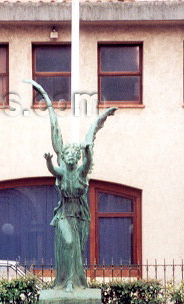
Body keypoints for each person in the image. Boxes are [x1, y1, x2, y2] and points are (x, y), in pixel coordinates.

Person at [26, 79, 117, 292]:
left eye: (72, 155)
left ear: (75, 157)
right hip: (65, 215)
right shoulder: (61, 171)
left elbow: (89, 156)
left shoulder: (81, 172)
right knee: (67, 243)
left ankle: (74, 282)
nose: (69, 157)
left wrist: (89, 146)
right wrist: (49, 160)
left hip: (81, 215)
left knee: (77, 250)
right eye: (66, 154)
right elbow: (52, 165)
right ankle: (65, 281)